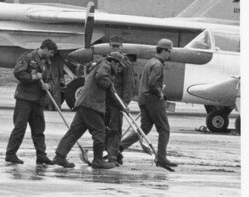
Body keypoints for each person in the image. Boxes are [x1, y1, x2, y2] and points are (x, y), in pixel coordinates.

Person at [52, 52, 124, 169]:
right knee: (100, 131)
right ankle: (98, 160)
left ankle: (60, 156)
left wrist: (121, 106)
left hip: (84, 103)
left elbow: (109, 92)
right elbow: (101, 77)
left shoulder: (103, 66)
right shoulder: (105, 66)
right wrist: (109, 83)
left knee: (75, 131)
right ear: (113, 62)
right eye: (119, 65)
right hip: (91, 105)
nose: (119, 68)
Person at [119, 39, 176, 168]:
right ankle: (161, 158)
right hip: (153, 100)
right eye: (169, 51)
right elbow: (152, 83)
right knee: (164, 129)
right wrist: (160, 93)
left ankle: (119, 147)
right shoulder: (158, 65)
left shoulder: (150, 62)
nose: (169, 55)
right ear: (164, 51)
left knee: (144, 128)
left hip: (143, 99)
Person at [5, 38, 57, 165]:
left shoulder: (48, 63)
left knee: (39, 130)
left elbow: (50, 79)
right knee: (20, 128)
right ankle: (10, 154)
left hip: (38, 100)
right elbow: (18, 73)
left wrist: (48, 86)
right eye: (51, 52)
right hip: (25, 99)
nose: (52, 55)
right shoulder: (28, 57)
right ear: (45, 49)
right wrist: (33, 77)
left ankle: (41, 156)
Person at [104, 36, 136, 165]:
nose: (115, 48)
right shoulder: (104, 61)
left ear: (122, 46)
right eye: (113, 45)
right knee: (104, 129)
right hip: (104, 101)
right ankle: (115, 153)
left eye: (117, 46)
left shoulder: (125, 64)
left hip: (117, 102)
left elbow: (128, 86)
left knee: (115, 130)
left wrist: (124, 103)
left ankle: (113, 157)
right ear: (109, 46)